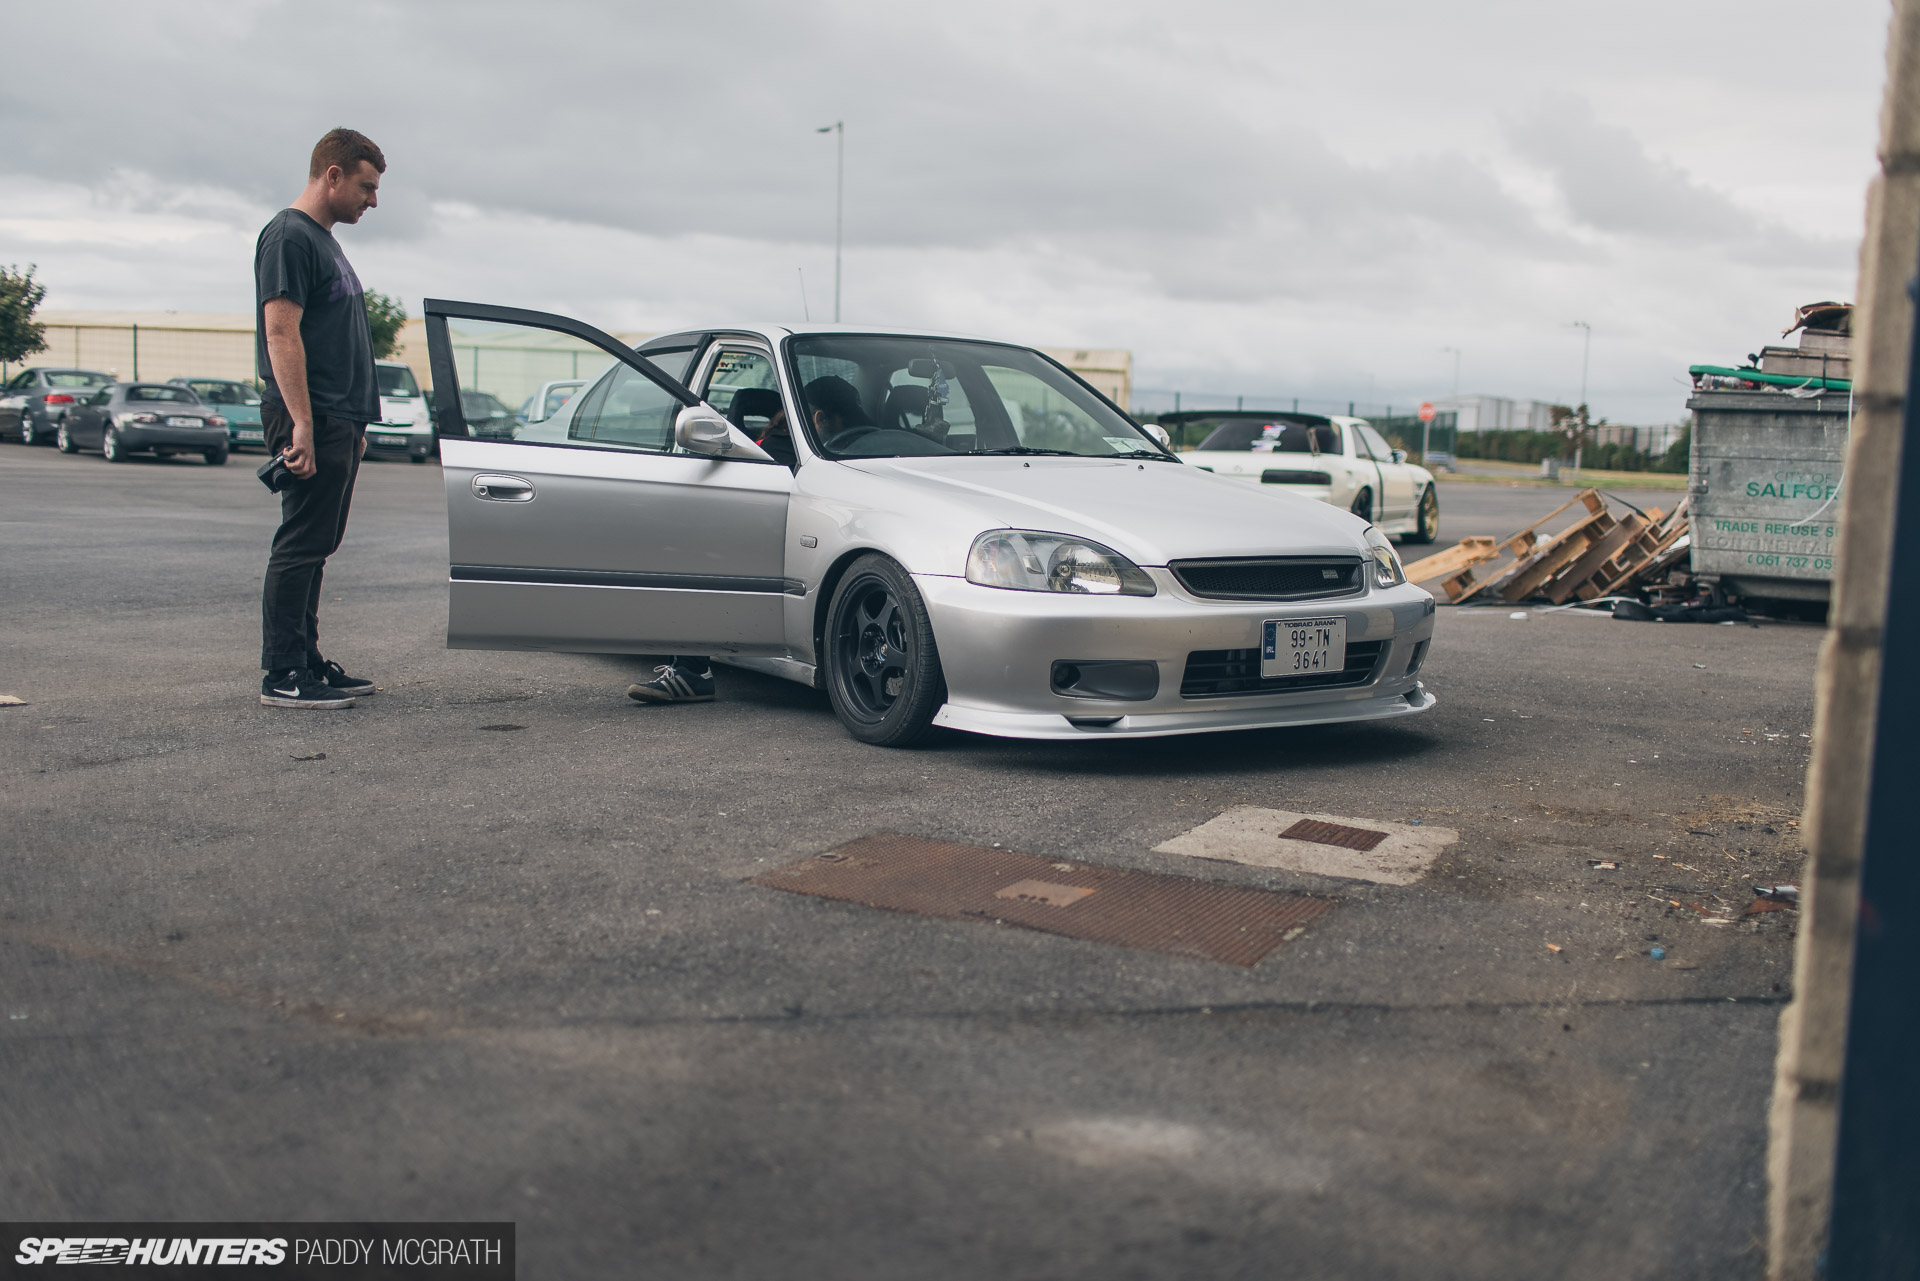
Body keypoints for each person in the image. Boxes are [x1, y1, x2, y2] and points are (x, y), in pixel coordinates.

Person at [625, 375, 867, 705]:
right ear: (820, 420)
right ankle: (691, 671)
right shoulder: (772, 454)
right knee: (690, 556)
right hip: (744, 553)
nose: (857, 430)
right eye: (849, 421)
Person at [255, 128, 385, 710]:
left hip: (339, 419)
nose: (372, 201)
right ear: (332, 175)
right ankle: (283, 673)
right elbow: (280, 331)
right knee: (301, 543)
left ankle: (305, 660)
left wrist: (354, 426)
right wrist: (303, 424)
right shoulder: (289, 236)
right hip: (312, 416)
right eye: (366, 186)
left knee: (319, 543)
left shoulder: (323, 240)